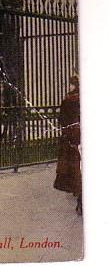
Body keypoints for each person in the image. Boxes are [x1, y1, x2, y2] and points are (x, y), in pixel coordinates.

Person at [53, 74, 81, 214]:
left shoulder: (68, 100)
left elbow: (62, 120)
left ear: (72, 85)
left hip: (71, 137)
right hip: (81, 136)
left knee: (73, 167)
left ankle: (78, 194)